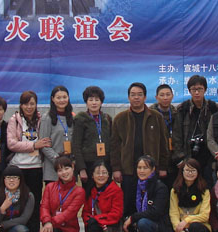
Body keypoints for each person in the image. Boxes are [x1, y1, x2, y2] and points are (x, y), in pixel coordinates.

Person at [111, 83, 170, 215]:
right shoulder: (120, 119)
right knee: (128, 205)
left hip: (151, 170)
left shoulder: (156, 117)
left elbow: (163, 144)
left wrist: (163, 166)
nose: (136, 97)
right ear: (128, 97)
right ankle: (129, 226)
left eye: (139, 95)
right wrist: (116, 169)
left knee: (150, 205)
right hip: (128, 170)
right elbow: (114, 147)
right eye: (133, 95)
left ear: (145, 97)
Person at [6, 90, 49, 232]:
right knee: (19, 205)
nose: (29, 107)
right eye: (25, 104)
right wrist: (33, 145)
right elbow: (11, 144)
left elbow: (45, 141)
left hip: (36, 167)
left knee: (34, 205)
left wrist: (38, 145)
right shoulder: (15, 120)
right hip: (19, 168)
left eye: (32, 103)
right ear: (21, 105)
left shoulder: (41, 119)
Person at [120, 155, 173, 232]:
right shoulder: (134, 185)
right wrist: (129, 219)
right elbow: (128, 208)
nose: (142, 171)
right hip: (138, 226)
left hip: (159, 226)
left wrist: (134, 218)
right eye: (139, 168)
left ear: (153, 169)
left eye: (145, 168)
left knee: (144, 222)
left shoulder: (160, 187)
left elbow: (156, 212)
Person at [172, 75, 218, 185]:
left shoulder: (214, 108)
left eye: (200, 89)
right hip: (188, 156)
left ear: (205, 90)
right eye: (193, 89)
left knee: (208, 186)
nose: (197, 92)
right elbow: (177, 136)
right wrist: (180, 158)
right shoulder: (183, 109)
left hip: (209, 157)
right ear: (189, 91)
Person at [39, 155, 85, 232]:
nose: (64, 173)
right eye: (60, 170)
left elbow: (70, 213)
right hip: (53, 227)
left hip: (70, 229)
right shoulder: (50, 187)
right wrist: (46, 221)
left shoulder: (79, 191)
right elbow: (44, 207)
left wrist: (51, 222)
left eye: (66, 168)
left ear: (72, 167)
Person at [77, 161, 124, 232]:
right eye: (98, 173)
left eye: (104, 173)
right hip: (95, 226)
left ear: (108, 175)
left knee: (94, 226)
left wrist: (97, 220)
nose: (101, 175)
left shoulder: (115, 190)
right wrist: (89, 221)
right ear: (92, 175)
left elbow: (116, 214)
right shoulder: (91, 190)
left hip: (111, 227)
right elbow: (85, 211)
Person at [169, 158, 212, 232]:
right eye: (187, 170)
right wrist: (178, 228)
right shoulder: (175, 190)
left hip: (200, 226)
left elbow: (205, 215)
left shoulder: (204, 190)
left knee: (195, 227)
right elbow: (173, 213)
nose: (190, 173)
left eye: (193, 170)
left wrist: (187, 220)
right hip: (182, 227)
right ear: (182, 171)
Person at [72, 85, 113, 191]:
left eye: (97, 100)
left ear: (101, 102)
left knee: (106, 194)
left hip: (106, 164)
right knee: (90, 194)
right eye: (90, 100)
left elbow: (113, 142)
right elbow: (76, 145)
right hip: (88, 164)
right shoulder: (80, 119)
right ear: (86, 102)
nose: (94, 103)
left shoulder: (107, 119)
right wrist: (82, 169)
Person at [39, 86, 74, 184]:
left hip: (69, 167)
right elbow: (44, 144)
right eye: (58, 98)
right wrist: (58, 161)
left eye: (64, 97)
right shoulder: (47, 118)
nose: (62, 100)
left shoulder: (72, 117)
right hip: (53, 167)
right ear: (52, 99)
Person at [150, 84, 177, 183]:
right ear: (156, 97)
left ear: (172, 96)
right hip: (155, 160)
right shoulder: (150, 115)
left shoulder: (177, 113)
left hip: (174, 160)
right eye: (162, 95)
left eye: (168, 94)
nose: (165, 98)